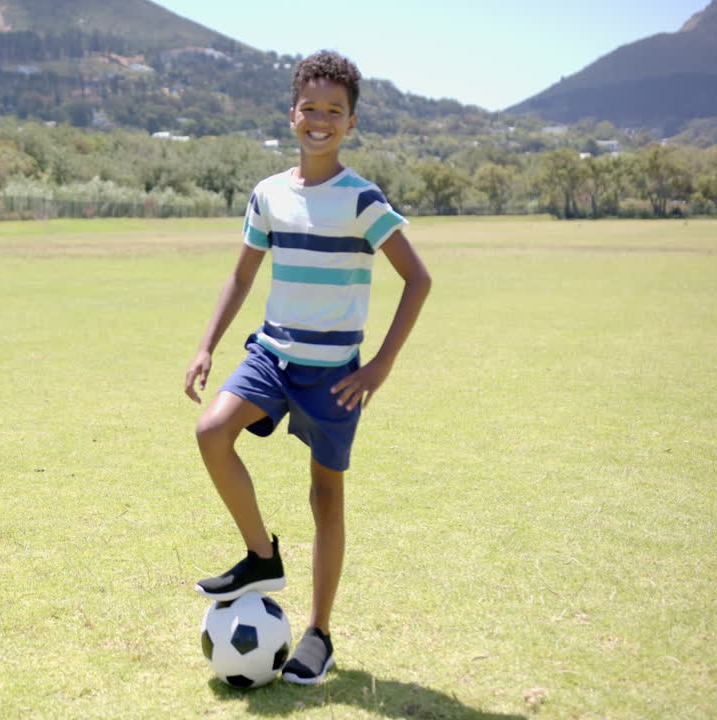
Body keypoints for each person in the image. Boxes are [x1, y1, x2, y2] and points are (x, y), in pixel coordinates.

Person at [183, 50, 432, 685]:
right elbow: (243, 273)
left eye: (334, 111)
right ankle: (262, 557)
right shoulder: (268, 194)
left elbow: (418, 279)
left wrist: (378, 367)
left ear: (350, 124)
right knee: (212, 432)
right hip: (271, 354)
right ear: (292, 114)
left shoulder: (363, 200)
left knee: (326, 496)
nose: (319, 120)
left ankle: (319, 632)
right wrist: (208, 344)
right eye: (310, 108)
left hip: (333, 376)